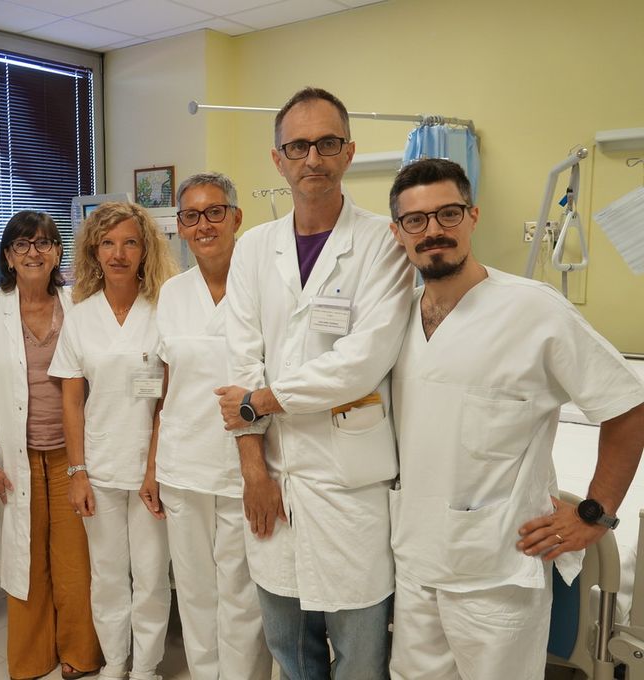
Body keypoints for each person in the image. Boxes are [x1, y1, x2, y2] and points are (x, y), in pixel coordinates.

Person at [386, 158, 644, 680]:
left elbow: (629, 407)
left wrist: (595, 513)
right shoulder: (395, 318)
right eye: (416, 220)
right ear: (398, 233)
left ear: (472, 216)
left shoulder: (534, 311)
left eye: (448, 213)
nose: (433, 230)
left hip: (497, 574)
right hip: (415, 564)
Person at [215, 87, 413, 680]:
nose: (313, 158)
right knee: (290, 650)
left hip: (349, 486)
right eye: (298, 146)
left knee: (360, 657)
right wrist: (254, 472)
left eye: (327, 143)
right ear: (277, 159)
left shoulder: (382, 243)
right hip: (273, 477)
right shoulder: (254, 248)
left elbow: (362, 361)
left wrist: (261, 401)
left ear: (349, 152)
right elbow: (241, 360)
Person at [139, 173, 272, 680]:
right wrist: (153, 465)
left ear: (236, 217)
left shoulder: (261, 288)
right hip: (183, 464)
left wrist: (261, 471)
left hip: (244, 466)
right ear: (180, 226)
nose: (204, 225)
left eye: (215, 212)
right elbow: (166, 387)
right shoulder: (172, 294)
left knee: (242, 594)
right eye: (191, 216)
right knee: (195, 591)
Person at [0, 211, 102, 679]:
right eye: (21, 245)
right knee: (25, 555)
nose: (33, 253)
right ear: (7, 256)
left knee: (74, 556)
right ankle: (32, 655)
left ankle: (79, 651)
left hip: (73, 453)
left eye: (43, 243)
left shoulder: (79, 303)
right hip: (17, 452)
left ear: (58, 252)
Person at [49, 202, 178, 680]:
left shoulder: (163, 311)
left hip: (153, 468)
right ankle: (115, 663)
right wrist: (77, 471)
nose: (118, 253)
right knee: (106, 575)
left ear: (145, 251)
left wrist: (153, 468)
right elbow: (71, 401)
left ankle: (145, 667)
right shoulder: (81, 317)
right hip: (99, 467)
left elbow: (169, 399)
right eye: (107, 243)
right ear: (94, 251)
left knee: (150, 575)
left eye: (129, 243)